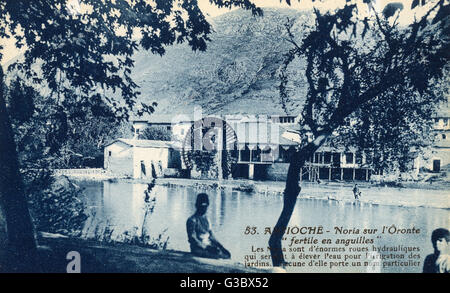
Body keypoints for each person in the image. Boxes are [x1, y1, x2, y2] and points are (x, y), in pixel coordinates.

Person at [186, 193, 231, 259]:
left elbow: (211, 236)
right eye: (202, 206)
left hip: (208, 245)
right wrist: (207, 248)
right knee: (218, 256)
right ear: (197, 206)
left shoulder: (207, 219)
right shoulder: (192, 220)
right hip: (197, 248)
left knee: (227, 255)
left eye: (205, 206)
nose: (204, 208)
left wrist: (221, 247)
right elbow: (193, 239)